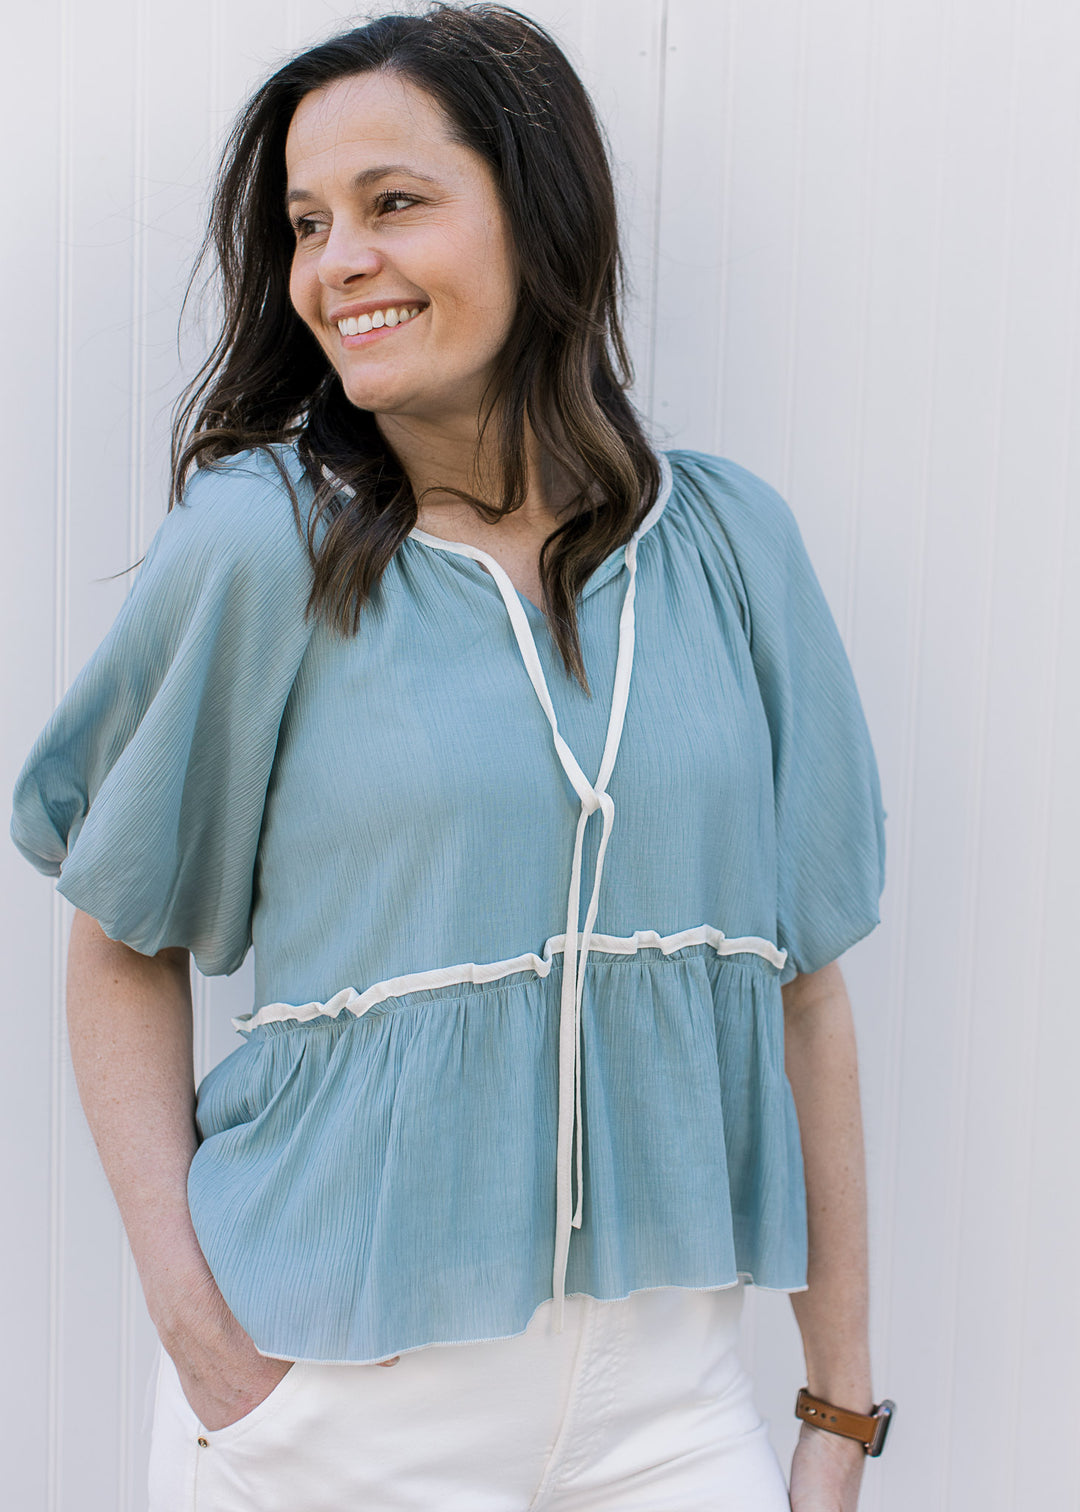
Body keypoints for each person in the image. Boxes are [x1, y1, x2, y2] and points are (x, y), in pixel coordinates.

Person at [10, 5, 892, 1508]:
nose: (336, 262)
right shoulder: (262, 545)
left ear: (541, 217)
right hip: (333, 1417)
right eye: (308, 224)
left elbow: (804, 989)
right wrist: (209, 1351)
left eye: (394, 203)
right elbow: (119, 937)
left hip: (671, 1411)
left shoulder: (733, 547)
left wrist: (837, 1408)